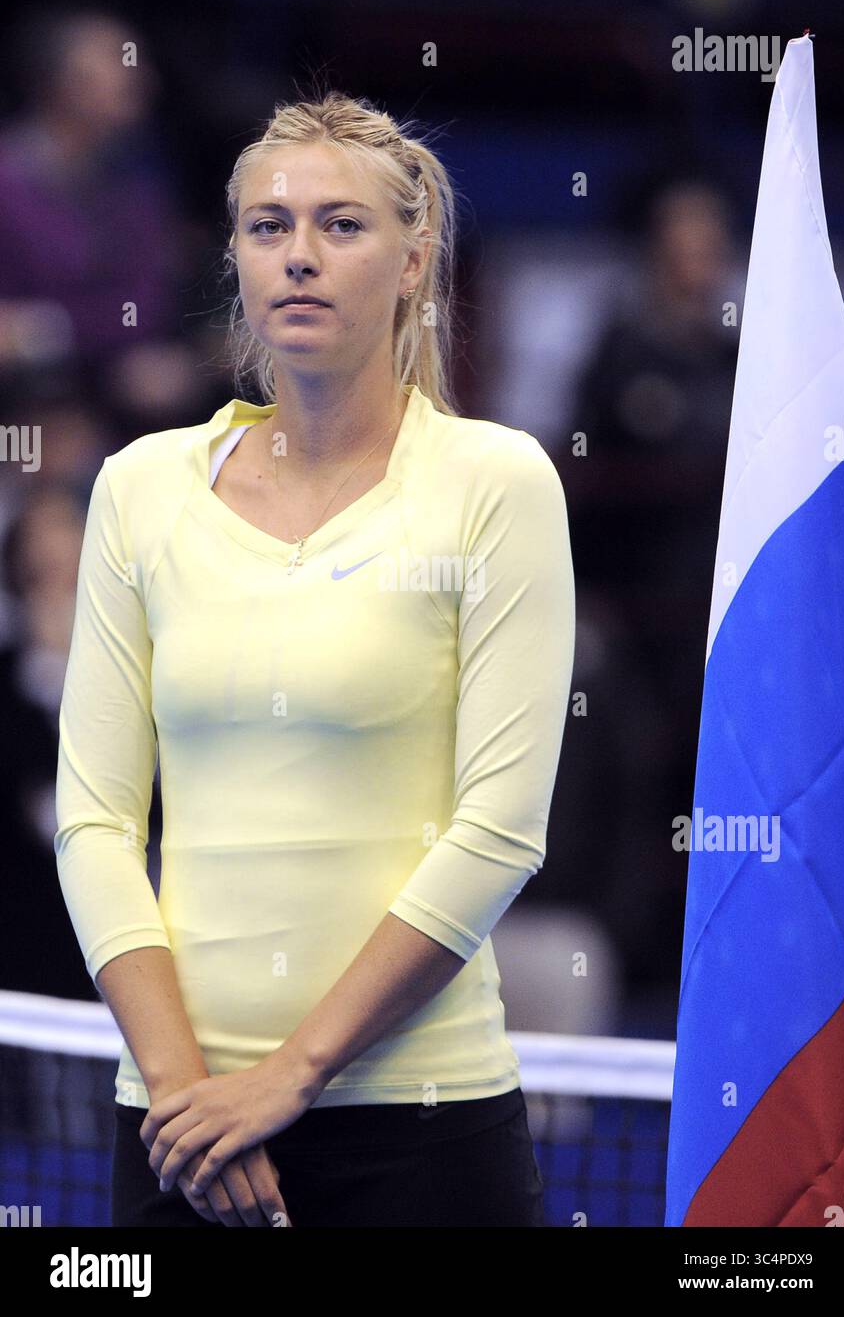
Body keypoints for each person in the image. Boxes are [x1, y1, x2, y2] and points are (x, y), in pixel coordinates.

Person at [53, 88, 576, 1228]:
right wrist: (192, 1096)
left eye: (341, 225)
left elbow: (498, 830)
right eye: (267, 225)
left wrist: (288, 1076)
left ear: (411, 259)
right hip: (181, 1132)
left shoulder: (496, 482)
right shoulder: (140, 490)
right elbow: (92, 823)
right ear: (234, 254)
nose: (299, 255)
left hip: (424, 1131)